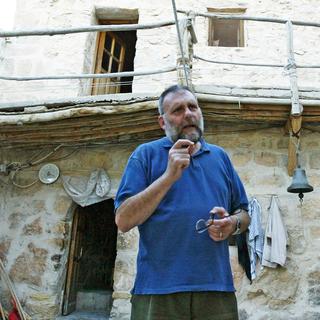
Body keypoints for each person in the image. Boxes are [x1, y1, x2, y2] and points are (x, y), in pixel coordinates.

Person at [115, 85, 250, 320]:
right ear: (162, 122)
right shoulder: (144, 155)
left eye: (193, 107)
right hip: (158, 291)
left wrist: (232, 224)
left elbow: (244, 212)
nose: (188, 114)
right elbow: (124, 220)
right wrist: (168, 176)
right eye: (177, 110)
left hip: (216, 289)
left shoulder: (220, 157)